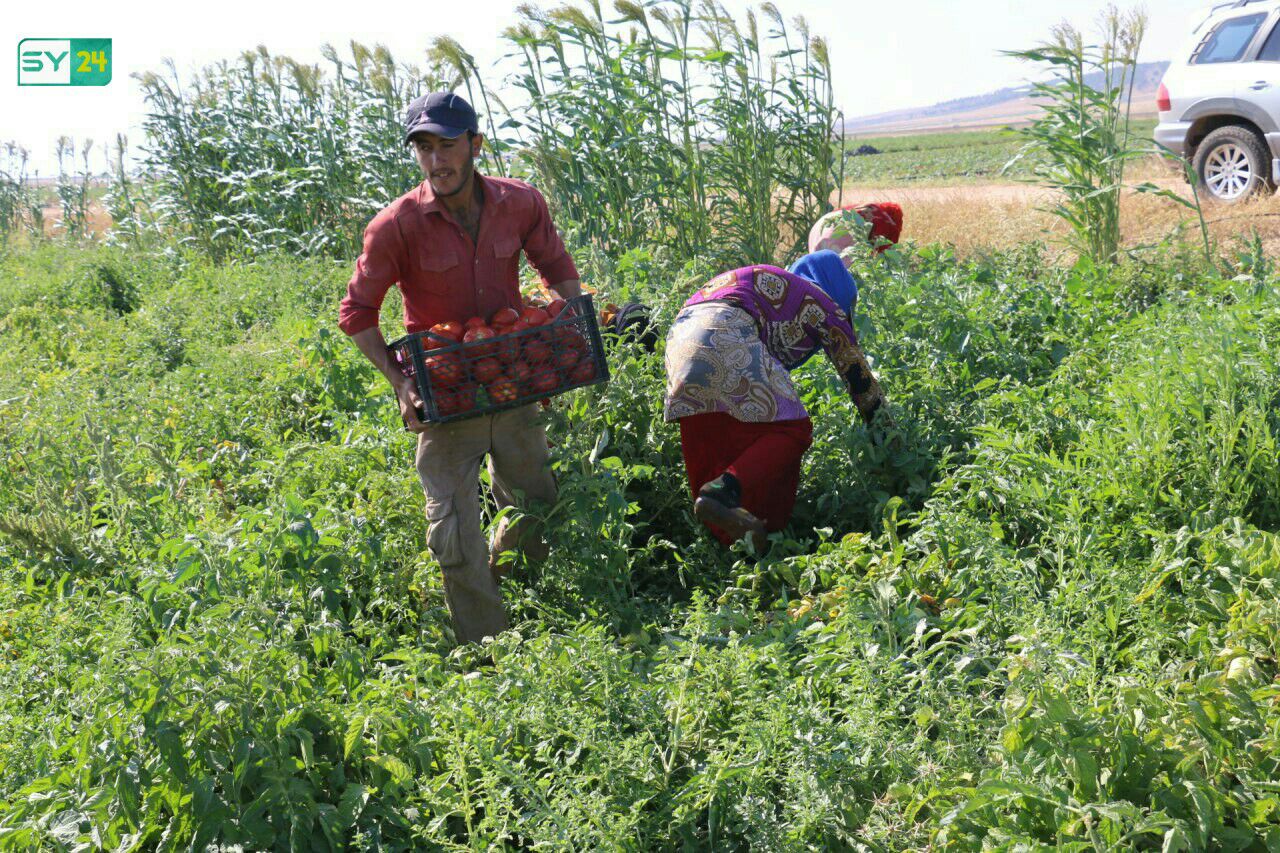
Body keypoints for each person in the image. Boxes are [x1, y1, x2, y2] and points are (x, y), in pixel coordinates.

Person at [337, 92, 582, 644]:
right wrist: (401, 382)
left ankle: (537, 619)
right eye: (424, 148)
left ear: (475, 144)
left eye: (447, 145)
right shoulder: (396, 224)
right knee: (452, 530)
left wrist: (568, 338)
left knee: (535, 508)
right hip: (445, 394)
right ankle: (486, 647)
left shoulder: (519, 203)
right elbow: (356, 313)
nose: (436, 160)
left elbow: (557, 269)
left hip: (514, 380)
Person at [664, 250, 892, 550]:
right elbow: (862, 384)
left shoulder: (778, 288)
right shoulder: (822, 300)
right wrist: (891, 446)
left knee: (721, 438)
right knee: (792, 429)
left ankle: (734, 545)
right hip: (727, 329)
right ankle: (723, 491)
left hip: (681, 337)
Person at [808, 202, 903, 261]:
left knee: (820, 273)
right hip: (839, 235)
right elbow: (885, 251)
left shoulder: (865, 208)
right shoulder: (885, 220)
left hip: (821, 227)